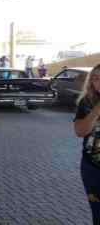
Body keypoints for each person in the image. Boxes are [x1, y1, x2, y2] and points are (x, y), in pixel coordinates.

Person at [73, 64, 100, 224]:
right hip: (93, 168)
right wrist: (97, 110)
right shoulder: (87, 102)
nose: (98, 82)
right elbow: (80, 132)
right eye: (95, 79)